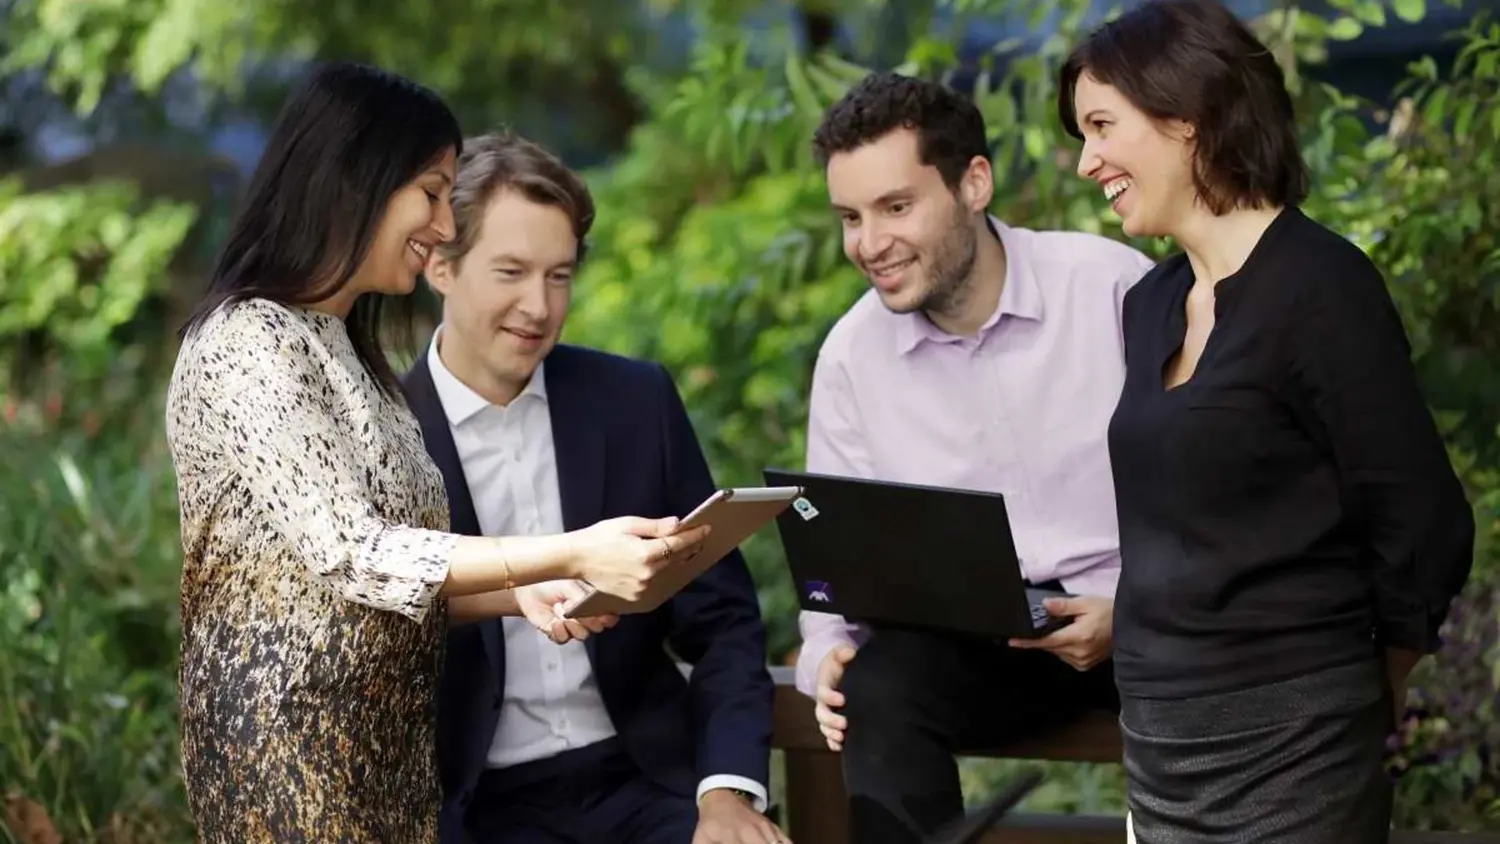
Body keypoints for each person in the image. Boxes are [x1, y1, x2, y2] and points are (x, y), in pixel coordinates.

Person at [164, 63, 708, 844]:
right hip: (292, 757)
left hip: (384, 759)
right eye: (429, 191)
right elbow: (353, 552)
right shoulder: (247, 340)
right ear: (356, 178)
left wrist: (528, 588)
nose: (443, 226)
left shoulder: (347, 349)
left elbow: (383, 588)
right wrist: (566, 553)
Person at [1058, 1, 1476, 840]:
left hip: (1299, 752)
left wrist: (1369, 690)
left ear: (1187, 117)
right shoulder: (1151, 304)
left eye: (1102, 126)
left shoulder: (1322, 289)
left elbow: (1424, 523)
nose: (1085, 161)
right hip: (1160, 752)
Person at [795, 71, 1155, 843]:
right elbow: (837, 567)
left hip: (1149, 620)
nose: (870, 243)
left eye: (896, 207)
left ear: (974, 184)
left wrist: (1133, 613)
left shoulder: (1110, 288)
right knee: (877, 687)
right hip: (980, 646)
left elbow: (1215, 494)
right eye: (850, 217)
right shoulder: (852, 357)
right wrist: (825, 658)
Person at [400, 129, 785, 844]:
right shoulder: (383, 434)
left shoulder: (634, 401)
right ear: (440, 265)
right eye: (511, 272)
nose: (540, 307)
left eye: (560, 275)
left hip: (649, 781)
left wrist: (727, 795)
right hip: (478, 811)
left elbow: (725, 622)